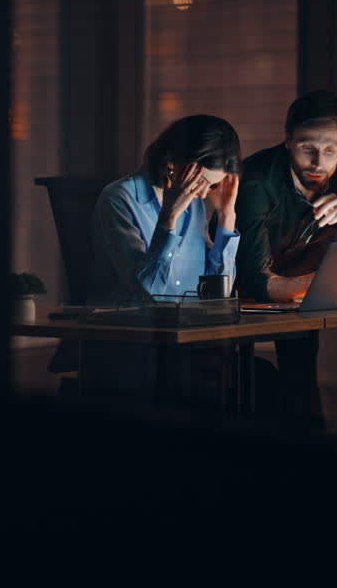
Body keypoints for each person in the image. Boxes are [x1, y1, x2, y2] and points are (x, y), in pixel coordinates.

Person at [235, 90, 337, 424]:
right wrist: (330, 283)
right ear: (287, 140)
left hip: (302, 296)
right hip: (235, 289)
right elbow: (257, 280)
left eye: (331, 150)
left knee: (302, 382)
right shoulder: (255, 179)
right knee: (245, 388)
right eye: (307, 148)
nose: (318, 162)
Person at [86, 114, 243, 402]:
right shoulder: (119, 199)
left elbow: (219, 294)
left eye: (213, 186)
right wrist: (168, 217)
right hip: (134, 341)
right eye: (203, 183)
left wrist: (226, 218)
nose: (206, 193)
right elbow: (151, 291)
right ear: (173, 163)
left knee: (250, 383)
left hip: (187, 340)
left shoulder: (196, 205)